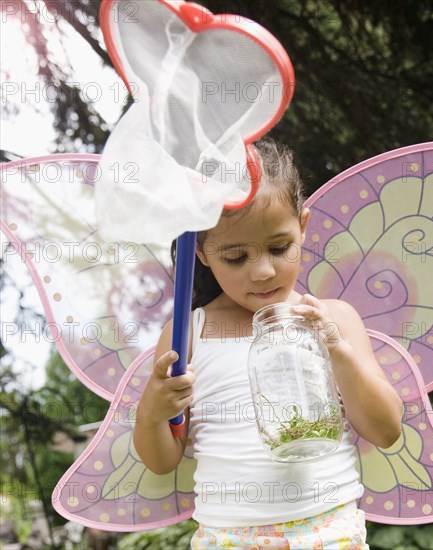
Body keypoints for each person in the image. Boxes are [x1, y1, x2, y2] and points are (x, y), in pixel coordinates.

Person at [133, 138, 403, 549]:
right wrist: (152, 413)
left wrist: (339, 351)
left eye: (279, 248)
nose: (262, 271)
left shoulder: (334, 318)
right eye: (236, 257)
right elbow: (162, 460)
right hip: (228, 538)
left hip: (329, 532)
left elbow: (385, 431)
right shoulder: (186, 334)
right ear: (202, 253)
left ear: (304, 226)